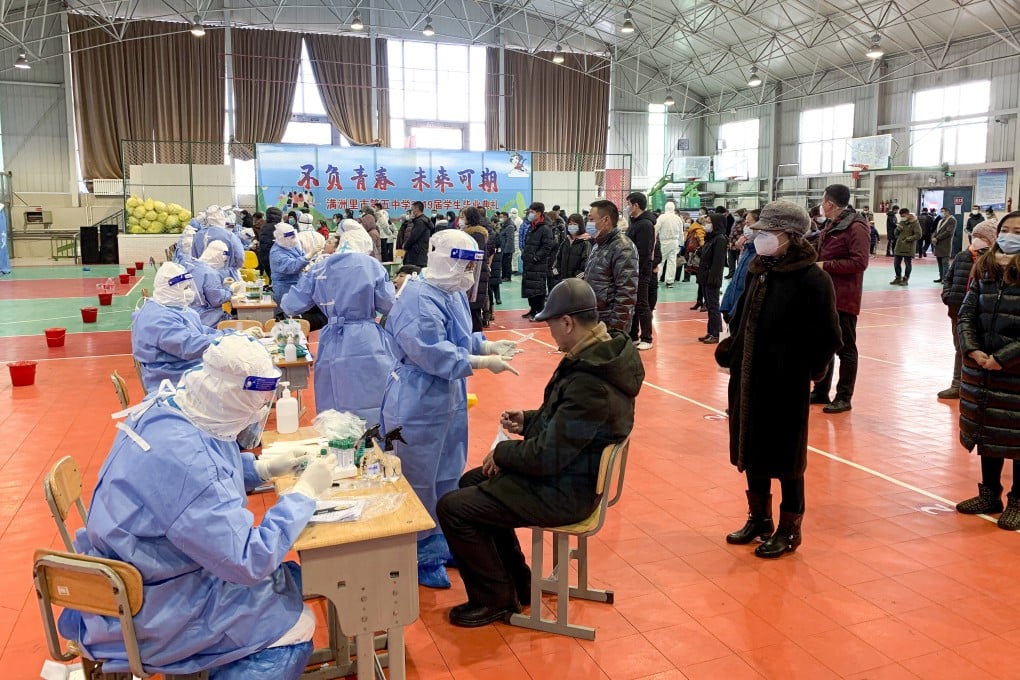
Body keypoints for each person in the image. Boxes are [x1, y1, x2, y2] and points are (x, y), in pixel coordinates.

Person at [59, 334, 334, 679]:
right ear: (235, 401)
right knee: (297, 624)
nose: (258, 416)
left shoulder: (171, 408)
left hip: (134, 573)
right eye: (256, 406)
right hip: (158, 610)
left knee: (286, 584)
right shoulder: (190, 465)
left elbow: (205, 471)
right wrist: (304, 495)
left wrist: (261, 469)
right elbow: (247, 560)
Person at [436, 278, 644, 626]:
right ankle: (518, 580)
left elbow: (547, 458)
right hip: (575, 473)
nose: (549, 332)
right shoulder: (599, 356)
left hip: (567, 490)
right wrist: (529, 420)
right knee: (470, 482)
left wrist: (502, 455)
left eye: (550, 324)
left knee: (454, 507)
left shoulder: (590, 381)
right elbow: (569, 425)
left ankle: (495, 600)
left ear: (568, 322)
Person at [379, 230, 523, 589]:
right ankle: (418, 553)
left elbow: (458, 339)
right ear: (443, 259)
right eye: (461, 264)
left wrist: (487, 344)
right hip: (416, 399)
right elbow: (431, 351)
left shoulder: (450, 293)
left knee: (447, 474)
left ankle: (443, 540)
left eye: (471, 266)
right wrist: (481, 361)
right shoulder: (416, 297)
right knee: (418, 479)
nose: (467, 274)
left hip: (448, 397)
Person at [715, 201, 841, 558]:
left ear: (790, 236)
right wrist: (733, 350)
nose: (759, 238)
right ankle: (759, 519)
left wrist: (806, 372)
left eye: (768, 233)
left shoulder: (813, 278)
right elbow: (743, 319)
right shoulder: (758, 269)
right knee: (751, 451)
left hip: (784, 385)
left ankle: (789, 529)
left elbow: (828, 337)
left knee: (787, 460)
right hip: (748, 377)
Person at [282, 229, 395, 424]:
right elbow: (388, 304)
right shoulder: (372, 266)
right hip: (366, 339)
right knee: (370, 394)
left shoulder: (320, 267)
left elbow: (291, 304)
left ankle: (334, 444)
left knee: (333, 398)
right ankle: (371, 444)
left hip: (332, 339)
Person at [955, 210, 1020, 530]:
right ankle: (989, 493)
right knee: (988, 430)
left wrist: (1004, 358)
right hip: (982, 367)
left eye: (1018, 231)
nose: (1011, 236)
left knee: (1016, 437)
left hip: (1013, 371)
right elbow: (966, 314)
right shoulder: (985, 268)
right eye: (1006, 230)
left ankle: (1018, 502)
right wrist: (973, 349)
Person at [811, 184, 872, 414]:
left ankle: (844, 396)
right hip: (824, 296)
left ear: (830, 203)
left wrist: (825, 266)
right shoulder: (832, 224)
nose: (821, 204)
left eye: (823, 199)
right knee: (822, 345)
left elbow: (860, 263)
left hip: (844, 298)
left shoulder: (856, 227)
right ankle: (820, 390)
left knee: (846, 349)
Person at [132, 262, 233, 393]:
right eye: (185, 288)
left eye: (189, 287)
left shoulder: (175, 309)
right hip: (174, 383)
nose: (190, 292)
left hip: (189, 372)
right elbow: (191, 345)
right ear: (170, 289)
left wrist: (231, 333)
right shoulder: (158, 319)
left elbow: (199, 331)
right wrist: (229, 339)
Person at [939, 222, 997, 399]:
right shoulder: (961, 256)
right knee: (961, 347)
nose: (977, 240)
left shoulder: (995, 261)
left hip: (982, 314)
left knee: (982, 350)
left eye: (983, 237)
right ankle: (957, 384)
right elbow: (948, 279)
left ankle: (980, 387)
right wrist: (948, 296)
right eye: (976, 236)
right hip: (958, 311)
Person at [582, 199, 639, 332]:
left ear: (605, 220)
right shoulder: (597, 245)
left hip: (609, 323)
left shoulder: (623, 247)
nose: (588, 223)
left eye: (591, 219)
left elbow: (626, 294)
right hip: (595, 319)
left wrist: (616, 330)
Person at [625, 192, 656, 351]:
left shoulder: (645, 225)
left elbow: (644, 251)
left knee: (642, 304)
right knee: (635, 304)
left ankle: (647, 337)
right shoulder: (635, 222)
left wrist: (637, 271)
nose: (627, 207)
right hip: (633, 270)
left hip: (641, 271)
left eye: (629, 204)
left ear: (636, 205)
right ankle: (633, 335)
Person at [188, 240, 240, 327]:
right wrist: (231, 289)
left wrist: (223, 285)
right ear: (218, 257)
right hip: (208, 318)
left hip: (193, 315)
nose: (223, 263)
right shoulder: (210, 273)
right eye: (223, 260)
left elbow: (203, 290)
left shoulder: (194, 266)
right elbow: (216, 300)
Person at [720, 209, 759, 324]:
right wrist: (726, 306)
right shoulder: (747, 250)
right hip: (735, 313)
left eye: (748, 224)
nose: (745, 227)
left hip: (745, 315)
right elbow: (735, 281)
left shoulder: (761, 255)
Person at [519, 202, 556, 320]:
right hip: (529, 262)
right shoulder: (532, 226)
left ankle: (540, 311)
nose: (530, 214)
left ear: (539, 213)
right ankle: (532, 309)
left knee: (538, 288)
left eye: (532, 212)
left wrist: (536, 257)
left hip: (538, 264)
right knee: (529, 287)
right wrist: (525, 255)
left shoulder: (545, 228)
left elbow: (547, 246)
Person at [696, 213, 728, 344]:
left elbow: (718, 262)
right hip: (705, 277)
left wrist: (713, 278)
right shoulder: (711, 238)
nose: (706, 225)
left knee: (714, 306)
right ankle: (710, 331)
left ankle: (716, 333)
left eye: (709, 222)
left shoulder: (720, 239)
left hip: (711, 278)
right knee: (709, 306)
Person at [269, 223, 310, 307]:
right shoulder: (276, 253)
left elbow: (300, 255)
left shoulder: (291, 246)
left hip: (297, 285)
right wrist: (308, 256)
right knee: (286, 313)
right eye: (292, 237)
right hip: (284, 288)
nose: (294, 239)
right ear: (282, 238)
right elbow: (292, 267)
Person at [552, 213, 592, 286]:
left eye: (575, 224)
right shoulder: (565, 242)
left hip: (577, 284)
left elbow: (586, 265)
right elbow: (557, 259)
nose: (572, 226)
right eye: (570, 224)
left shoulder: (585, 243)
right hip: (562, 282)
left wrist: (575, 278)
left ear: (580, 225)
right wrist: (557, 272)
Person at [890, 208, 921, 286]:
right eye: (900, 216)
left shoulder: (915, 223)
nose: (902, 217)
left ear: (908, 214)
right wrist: (897, 229)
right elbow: (896, 234)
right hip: (899, 246)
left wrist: (908, 239)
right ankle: (898, 278)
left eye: (903, 216)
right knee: (896, 263)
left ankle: (905, 279)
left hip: (908, 247)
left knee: (907, 264)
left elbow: (918, 235)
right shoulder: (902, 222)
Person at [657, 201, 683, 287]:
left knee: (661, 261)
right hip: (674, 242)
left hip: (664, 242)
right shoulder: (678, 218)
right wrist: (681, 244)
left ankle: (656, 280)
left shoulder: (662, 217)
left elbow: (656, 229)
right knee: (672, 262)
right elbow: (681, 233)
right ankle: (669, 281)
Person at [401, 201, 432, 267]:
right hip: (419, 254)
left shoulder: (420, 222)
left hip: (416, 254)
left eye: (412, 209)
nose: (411, 212)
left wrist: (406, 246)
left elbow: (413, 237)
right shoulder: (421, 220)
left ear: (417, 209)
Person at [932, 206, 957, 282]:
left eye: (943, 211)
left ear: (947, 212)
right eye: (941, 211)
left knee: (945, 263)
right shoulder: (941, 220)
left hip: (945, 244)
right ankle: (941, 277)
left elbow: (948, 232)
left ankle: (946, 278)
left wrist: (937, 238)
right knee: (939, 262)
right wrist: (933, 237)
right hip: (938, 244)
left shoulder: (952, 220)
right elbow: (936, 230)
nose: (941, 213)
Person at [258, 207, 283, 277]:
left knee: (272, 277)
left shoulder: (264, 227)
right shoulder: (281, 227)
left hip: (265, 256)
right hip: (277, 257)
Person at [499, 212, 516, 281]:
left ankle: (507, 277)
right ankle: (503, 276)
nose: (500, 219)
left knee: (507, 263)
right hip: (503, 248)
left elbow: (510, 239)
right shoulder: (505, 225)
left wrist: (507, 249)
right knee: (503, 263)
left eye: (501, 217)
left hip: (508, 249)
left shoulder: (510, 226)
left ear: (505, 217)